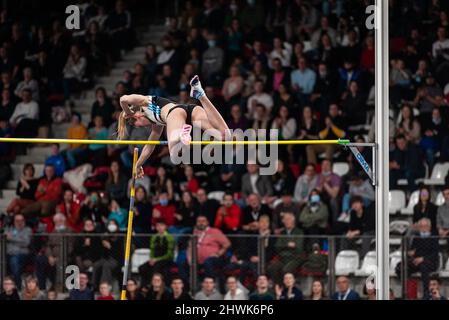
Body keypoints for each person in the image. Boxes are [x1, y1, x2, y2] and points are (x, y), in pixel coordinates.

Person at [118, 75, 229, 174]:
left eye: (138, 124)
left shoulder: (145, 101)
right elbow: (150, 145)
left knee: (174, 154)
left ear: (137, 116)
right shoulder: (156, 123)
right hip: (191, 109)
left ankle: (182, 135)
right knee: (225, 135)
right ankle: (200, 95)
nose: (143, 126)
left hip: (175, 113)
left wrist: (128, 112)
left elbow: (123, 99)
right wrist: (138, 165)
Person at [187, 215, 231, 281]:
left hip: (213, 259)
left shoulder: (215, 231)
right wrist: (190, 259)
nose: (201, 223)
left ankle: (211, 284)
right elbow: (190, 248)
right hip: (197, 260)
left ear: (207, 222)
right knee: (182, 264)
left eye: (203, 221)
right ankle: (188, 287)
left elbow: (227, 244)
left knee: (208, 262)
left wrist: (218, 254)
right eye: (199, 221)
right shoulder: (194, 233)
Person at [266, 212, 304, 285]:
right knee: (272, 267)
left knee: (286, 270)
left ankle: (285, 287)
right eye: (285, 220)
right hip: (282, 257)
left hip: (295, 258)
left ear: (293, 220)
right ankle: (278, 286)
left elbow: (298, 248)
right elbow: (277, 247)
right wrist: (288, 244)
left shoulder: (299, 232)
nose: (286, 221)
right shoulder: (282, 233)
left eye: (288, 219)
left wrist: (284, 246)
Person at [139, 219, 175, 288]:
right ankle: (144, 286)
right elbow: (152, 250)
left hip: (166, 259)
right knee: (142, 268)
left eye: (161, 225)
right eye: (158, 226)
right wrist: (151, 259)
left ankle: (154, 285)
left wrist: (157, 259)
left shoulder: (169, 237)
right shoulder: (154, 237)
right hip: (155, 259)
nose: (160, 227)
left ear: (165, 227)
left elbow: (169, 254)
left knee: (156, 267)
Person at [5, 213, 31, 290]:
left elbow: (26, 242)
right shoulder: (9, 229)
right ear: (14, 221)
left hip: (22, 255)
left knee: (14, 261)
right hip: (8, 254)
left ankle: (18, 286)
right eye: (17, 220)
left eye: (21, 220)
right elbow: (4, 240)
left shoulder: (27, 230)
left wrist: (11, 238)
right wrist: (18, 239)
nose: (19, 222)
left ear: (24, 221)